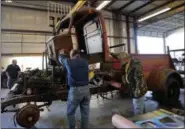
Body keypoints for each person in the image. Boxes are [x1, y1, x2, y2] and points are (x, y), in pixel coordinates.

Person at [58, 49, 90, 129]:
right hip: (86, 90)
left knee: (70, 113)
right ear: (78, 55)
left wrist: (61, 53)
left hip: (75, 91)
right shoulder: (85, 62)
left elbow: (61, 59)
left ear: (71, 56)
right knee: (85, 113)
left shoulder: (69, 62)